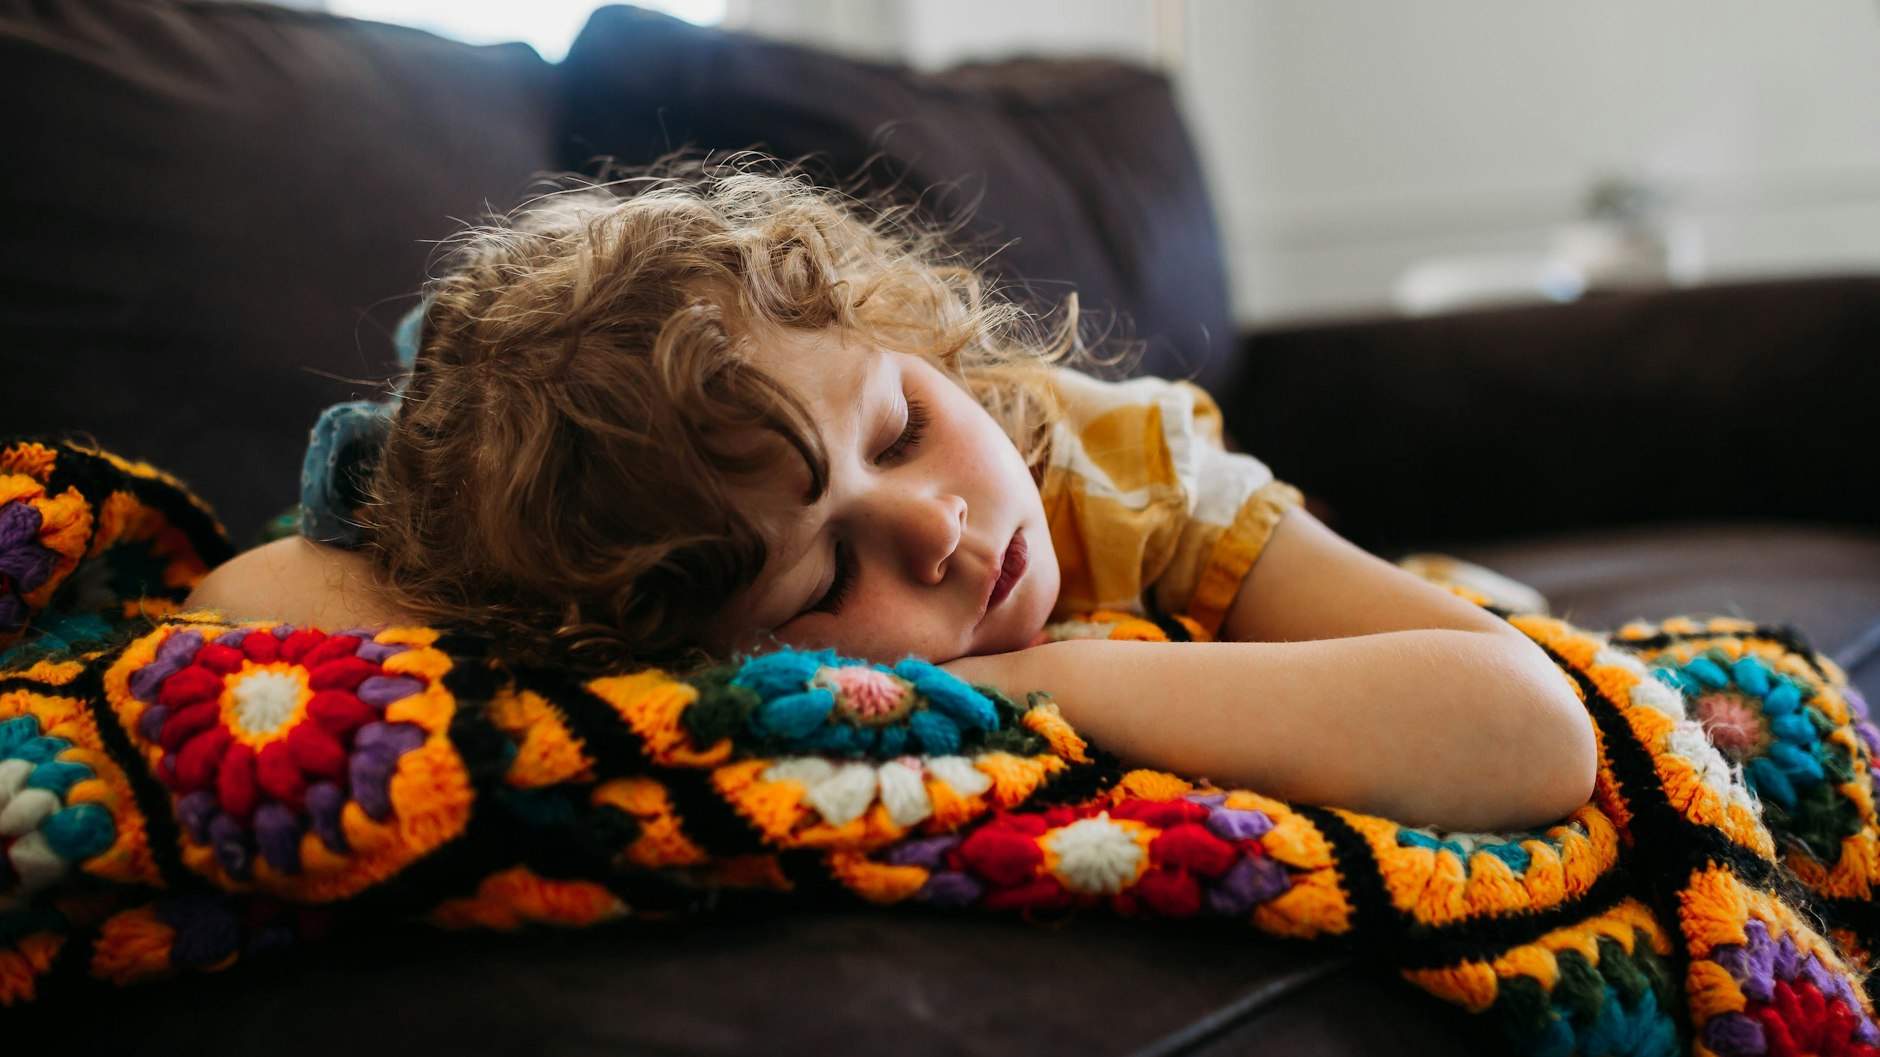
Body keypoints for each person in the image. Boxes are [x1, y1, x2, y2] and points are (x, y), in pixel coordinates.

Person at [185, 159, 1595, 832]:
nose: (938, 528)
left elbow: (1532, 732)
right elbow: (234, 611)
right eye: (821, 583)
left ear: (906, 338)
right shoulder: (635, 596)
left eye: (904, 425)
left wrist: (1057, 679)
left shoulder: (1103, 469)